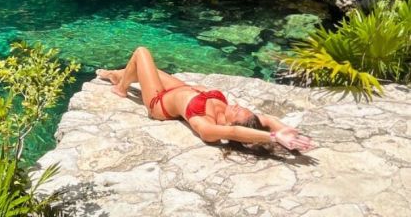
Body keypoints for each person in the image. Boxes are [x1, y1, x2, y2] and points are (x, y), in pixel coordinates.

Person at [97, 46, 314, 152]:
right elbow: (266, 120)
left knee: (141, 53)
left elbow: (236, 132)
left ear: (230, 123)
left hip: (159, 102)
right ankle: (112, 75)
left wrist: (273, 138)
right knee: (134, 70)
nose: (237, 106)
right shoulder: (237, 117)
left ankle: (121, 89)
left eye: (238, 112)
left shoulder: (208, 127)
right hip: (181, 89)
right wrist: (287, 132)